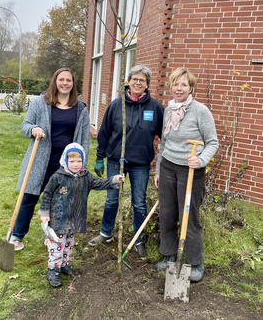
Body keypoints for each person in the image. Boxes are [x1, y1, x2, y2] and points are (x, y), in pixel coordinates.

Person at [10, 68, 90, 251]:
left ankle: (57, 236)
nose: (64, 83)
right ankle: (17, 236)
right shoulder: (40, 103)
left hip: (65, 165)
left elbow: (84, 139)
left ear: (73, 84)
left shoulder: (81, 108)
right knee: (28, 198)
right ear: (55, 82)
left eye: (68, 80)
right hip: (40, 161)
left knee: (62, 202)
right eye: (61, 79)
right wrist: (33, 129)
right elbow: (25, 125)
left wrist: (80, 166)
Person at [88, 65, 164, 258]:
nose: (138, 83)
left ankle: (139, 239)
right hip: (116, 160)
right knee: (112, 198)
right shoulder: (116, 105)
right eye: (135, 79)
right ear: (128, 81)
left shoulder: (155, 107)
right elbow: (104, 133)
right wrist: (100, 158)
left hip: (141, 163)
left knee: (139, 202)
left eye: (142, 80)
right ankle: (105, 233)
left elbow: (166, 136)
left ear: (147, 84)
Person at [154, 67, 218, 282]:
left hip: (191, 171)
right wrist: (158, 169)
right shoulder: (169, 110)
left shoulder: (201, 111)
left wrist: (201, 160)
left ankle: (196, 262)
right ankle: (170, 255)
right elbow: (165, 143)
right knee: (167, 214)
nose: (178, 88)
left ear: (191, 88)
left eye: (183, 84)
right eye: (175, 84)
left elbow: (212, 142)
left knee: (189, 218)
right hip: (168, 167)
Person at [38, 142, 124, 288]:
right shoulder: (57, 177)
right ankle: (53, 270)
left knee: (69, 244)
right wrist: (44, 213)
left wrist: (114, 180)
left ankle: (65, 264)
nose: (76, 164)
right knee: (57, 245)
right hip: (59, 220)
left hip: (75, 219)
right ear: (65, 160)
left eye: (79, 161)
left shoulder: (85, 176)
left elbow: (99, 183)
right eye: (72, 161)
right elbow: (46, 195)